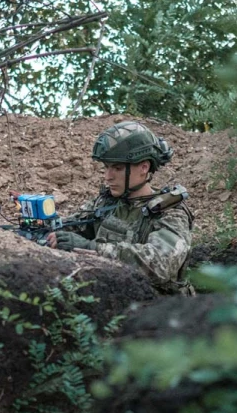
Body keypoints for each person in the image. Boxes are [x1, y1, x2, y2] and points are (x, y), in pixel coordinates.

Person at [46, 120, 194, 295]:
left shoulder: (170, 211)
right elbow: (74, 225)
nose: (108, 177)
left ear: (144, 167)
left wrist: (93, 249)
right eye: (106, 167)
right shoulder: (107, 202)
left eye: (117, 168)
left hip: (162, 309)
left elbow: (161, 263)